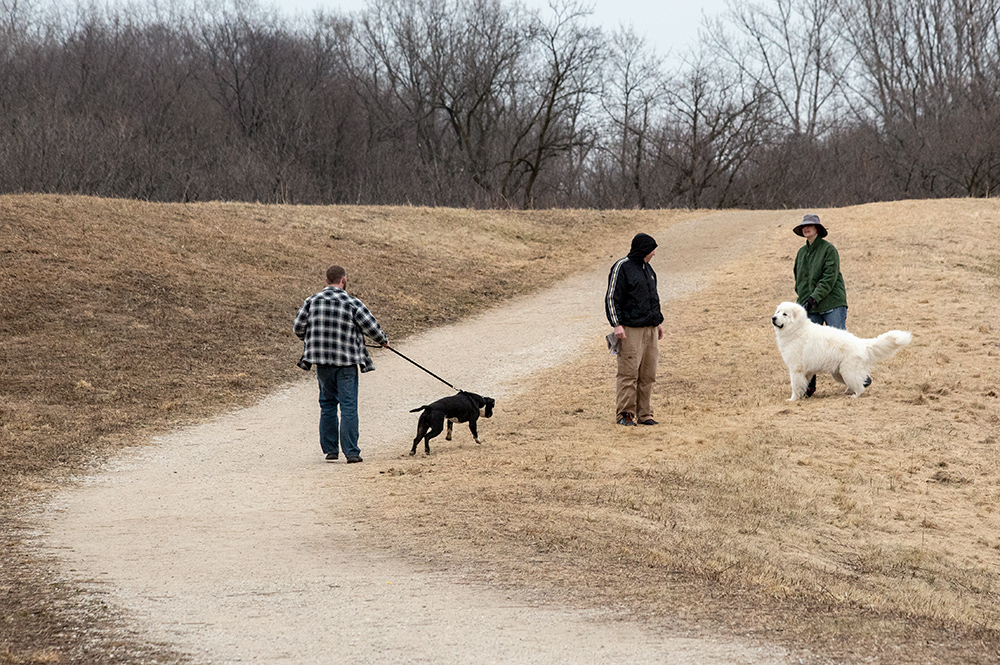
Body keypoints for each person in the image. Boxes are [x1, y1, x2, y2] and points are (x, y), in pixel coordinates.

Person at [293, 265, 388, 463]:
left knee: (327, 405)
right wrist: (382, 341)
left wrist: (310, 338)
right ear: (343, 280)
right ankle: (352, 453)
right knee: (348, 406)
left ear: (326, 281)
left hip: (322, 362)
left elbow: (298, 327)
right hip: (346, 363)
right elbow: (371, 326)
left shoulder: (312, 301)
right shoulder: (351, 302)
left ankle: (331, 450)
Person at [792, 213, 867, 397]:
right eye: (803, 226)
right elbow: (799, 280)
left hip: (832, 302)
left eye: (810, 225)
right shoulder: (801, 253)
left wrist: (813, 297)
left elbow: (829, 279)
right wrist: (801, 303)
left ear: (818, 229)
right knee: (809, 346)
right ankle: (808, 387)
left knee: (841, 344)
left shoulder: (829, 249)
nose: (806, 228)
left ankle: (861, 379)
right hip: (811, 306)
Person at [605, 233, 664, 426]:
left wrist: (658, 322)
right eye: (651, 249)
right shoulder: (622, 267)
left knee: (648, 374)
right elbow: (612, 298)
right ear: (643, 249)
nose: (654, 253)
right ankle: (625, 414)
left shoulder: (648, 269)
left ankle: (645, 414)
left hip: (650, 329)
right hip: (630, 330)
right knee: (629, 373)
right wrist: (617, 324)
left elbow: (653, 297)